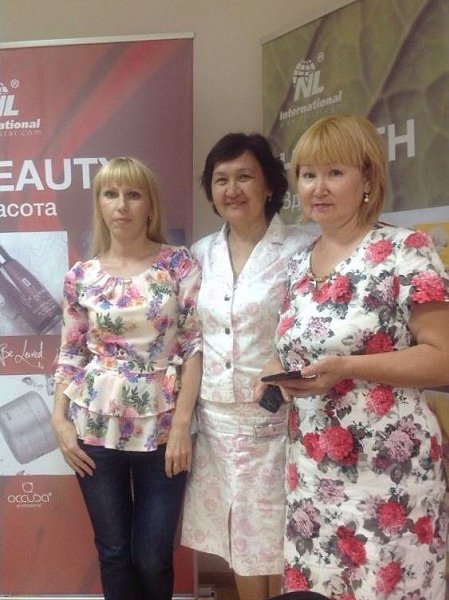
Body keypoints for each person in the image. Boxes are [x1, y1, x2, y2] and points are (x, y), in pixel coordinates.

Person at [258, 115, 449, 599]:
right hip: (311, 469)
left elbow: (442, 357)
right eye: (308, 174)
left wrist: (347, 368)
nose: (318, 187)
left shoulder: (406, 250)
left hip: (387, 471)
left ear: (367, 179)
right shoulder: (299, 263)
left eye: (335, 172)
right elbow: (299, 347)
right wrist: (276, 372)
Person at [51, 157, 202, 600]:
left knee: (153, 555)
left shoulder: (178, 265)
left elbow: (193, 346)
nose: (122, 205)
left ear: (150, 205)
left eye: (133, 194)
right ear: (99, 203)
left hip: (163, 427)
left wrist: (182, 426)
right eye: (111, 194)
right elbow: (71, 351)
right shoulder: (81, 276)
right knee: (114, 552)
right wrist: (59, 419)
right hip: (95, 425)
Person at [181, 133, 314, 600]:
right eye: (221, 180)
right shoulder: (200, 254)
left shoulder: (303, 247)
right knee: (237, 538)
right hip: (216, 419)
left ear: (270, 185)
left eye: (245, 177)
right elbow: (190, 336)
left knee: (278, 534)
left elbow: (314, 326)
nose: (232, 190)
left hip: (279, 417)